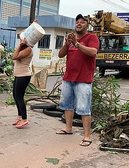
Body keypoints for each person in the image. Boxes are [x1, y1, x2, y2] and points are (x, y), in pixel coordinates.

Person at [56, 14, 99, 147]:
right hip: (69, 78)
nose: (79, 24)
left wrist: (76, 43)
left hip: (83, 79)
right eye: (77, 22)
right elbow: (60, 54)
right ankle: (68, 129)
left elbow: (93, 52)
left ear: (87, 25)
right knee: (67, 105)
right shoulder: (71, 38)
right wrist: (67, 44)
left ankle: (87, 136)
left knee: (84, 108)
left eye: (82, 22)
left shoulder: (92, 37)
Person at [12, 38, 33, 129]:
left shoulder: (28, 49)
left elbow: (14, 56)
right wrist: (20, 46)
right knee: (15, 96)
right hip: (18, 75)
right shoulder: (23, 49)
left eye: (22, 40)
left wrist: (20, 45)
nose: (21, 41)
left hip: (23, 75)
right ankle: (19, 116)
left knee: (19, 97)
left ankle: (24, 119)